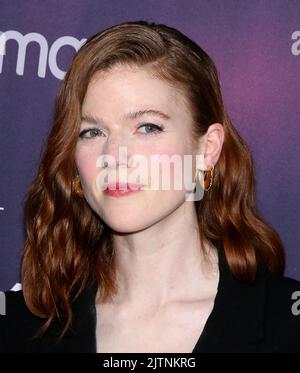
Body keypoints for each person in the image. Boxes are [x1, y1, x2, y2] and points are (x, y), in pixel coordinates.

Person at [0, 20, 299, 353]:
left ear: (207, 148)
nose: (113, 156)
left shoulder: (286, 323)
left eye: (147, 127)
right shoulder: (19, 327)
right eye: (92, 132)